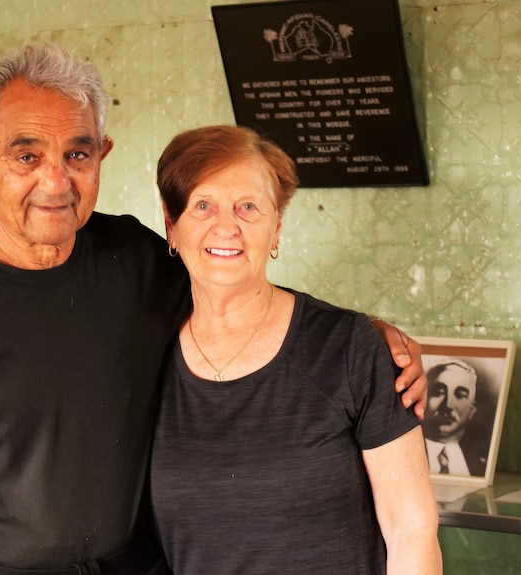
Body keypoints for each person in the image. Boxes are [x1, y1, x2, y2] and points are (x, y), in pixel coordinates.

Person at [0, 44, 427, 575]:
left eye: (78, 155)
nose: (56, 182)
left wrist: (370, 338)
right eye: (26, 156)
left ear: (102, 156)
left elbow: (230, 284)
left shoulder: (134, 258)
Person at [146, 125, 441, 574]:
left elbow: (411, 532)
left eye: (248, 207)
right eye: (203, 205)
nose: (226, 226)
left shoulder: (349, 348)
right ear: (172, 223)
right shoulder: (144, 356)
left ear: (277, 227)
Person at [423, 357, 486, 476]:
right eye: (438, 393)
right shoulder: (401, 458)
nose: (448, 405)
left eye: (460, 395)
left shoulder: (481, 466)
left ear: (472, 411)